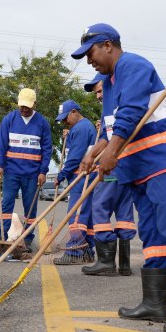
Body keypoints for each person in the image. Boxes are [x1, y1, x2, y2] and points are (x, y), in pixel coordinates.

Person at [73, 23, 166, 332]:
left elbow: (131, 114)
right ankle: (155, 303)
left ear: (107, 45)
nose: (88, 61)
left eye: (90, 53)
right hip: (139, 170)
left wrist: (111, 154)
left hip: (164, 162)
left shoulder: (135, 66)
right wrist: (94, 153)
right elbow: (112, 128)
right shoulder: (107, 82)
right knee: (152, 235)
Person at [80, 73, 137, 276]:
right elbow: (106, 135)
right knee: (124, 214)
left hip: (113, 168)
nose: (98, 96)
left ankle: (105, 262)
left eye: (99, 91)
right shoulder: (110, 109)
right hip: (127, 171)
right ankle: (124, 265)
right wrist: (90, 155)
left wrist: (97, 157)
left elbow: (115, 135)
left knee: (100, 208)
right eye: (95, 93)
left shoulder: (121, 102)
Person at [0, 88, 52, 252]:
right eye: (22, 106)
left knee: (30, 209)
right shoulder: (9, 119)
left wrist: (43, 171)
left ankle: (27, 240)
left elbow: (47, 149)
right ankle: (1, 236)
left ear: (34, 105)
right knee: (6, 206)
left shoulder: (42, 123)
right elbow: (1, 144)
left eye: (27, 106)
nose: (24, 109)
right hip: (11, 172)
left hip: (32, 175)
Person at [52, 100, 97, 265]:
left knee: (76, 217)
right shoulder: (82, 128)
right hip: (86, 177)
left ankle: (76, 252)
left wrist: (61, 175)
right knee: (86, 218)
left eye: (65, 118)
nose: (65, 122)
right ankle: (87, 251)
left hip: (81, 177)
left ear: (74, 112)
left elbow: (75, 157)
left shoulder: (81, 128)